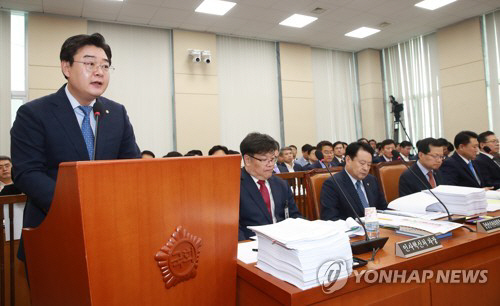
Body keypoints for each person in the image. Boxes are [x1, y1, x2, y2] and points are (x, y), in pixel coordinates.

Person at [10, 33, 140, 261]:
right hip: (53, 234)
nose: (99, 71)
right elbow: (27, 173)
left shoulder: (116, 113)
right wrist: (78, 207)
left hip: (109, 235)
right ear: (66, 67)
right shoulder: (34, 113)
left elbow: (132, 168)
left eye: (105, 66)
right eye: (90, 63)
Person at [238, 133, 301, 240]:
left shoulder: (281, 184)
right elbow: (232, 228)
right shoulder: (234, 186)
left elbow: (294, 216)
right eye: (264, 159)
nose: (271, 164)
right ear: (247, 160)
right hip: (251, 246)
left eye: (273, 159)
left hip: (283, 242)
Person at [320, 142, 387, 221]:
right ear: (348, 160)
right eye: (362, 163)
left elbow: (383, 209)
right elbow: (330, 218)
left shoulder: (371, 180)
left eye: (369, 165)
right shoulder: (333, 184)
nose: (366, 168)